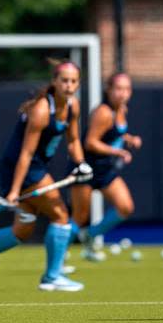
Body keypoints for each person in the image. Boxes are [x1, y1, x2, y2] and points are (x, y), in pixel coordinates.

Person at [0, 60, 94, 292]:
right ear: (54, 82)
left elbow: (73, 141)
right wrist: (14, 191)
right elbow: (26, 153)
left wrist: (81, 164)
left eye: (73, 81)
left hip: (36, 166)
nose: (69, 86)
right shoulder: (42, 110)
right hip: (22, 168)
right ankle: (52, 276)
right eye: (64, 81)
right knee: (61, 215)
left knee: (22, 229)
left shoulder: (73, 106)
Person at [70, 72, 141, 258]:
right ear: (108, 90)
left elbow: (112, 134)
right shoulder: (103, 112)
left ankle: (90, 236)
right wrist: (118, 151)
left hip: (104, 170)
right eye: (118, 89)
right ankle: (58, 260)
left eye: (126, 89)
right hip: (86, 169)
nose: (122, 93)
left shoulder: (122, 109)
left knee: (125, 207)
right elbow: (91, 143)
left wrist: (129, 138)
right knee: (79, 217)